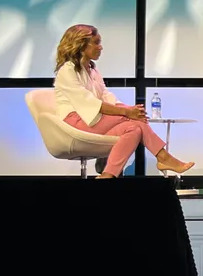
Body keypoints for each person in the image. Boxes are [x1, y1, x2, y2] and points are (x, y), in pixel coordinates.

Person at [53, 24, 194, 179]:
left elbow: (106, 96)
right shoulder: (67, 70)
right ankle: (164, 158)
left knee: (134, 128)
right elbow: (88, 103)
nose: (101, 48)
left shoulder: (91, 69)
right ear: (80, 44)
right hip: (75, 122)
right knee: (133, 119)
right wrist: (127, 112)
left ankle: (108, 174)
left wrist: (130, 109)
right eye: (96, 42)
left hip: (92, 121)